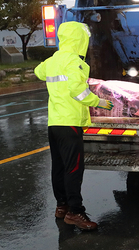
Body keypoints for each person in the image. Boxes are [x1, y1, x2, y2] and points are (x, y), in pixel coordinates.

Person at [35, 21, 113, 231]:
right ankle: (75, 212)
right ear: (80, 40)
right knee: (74, 169)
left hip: (55, 123)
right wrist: (101, 102)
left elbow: (38, 72)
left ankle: (62, 206)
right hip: (70, 123)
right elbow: (78, 92)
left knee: (59, 167)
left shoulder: (53, 60)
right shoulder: (75, 63)